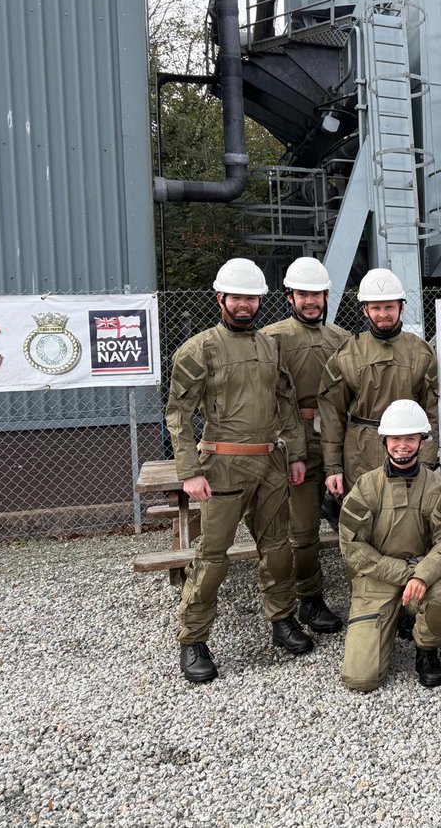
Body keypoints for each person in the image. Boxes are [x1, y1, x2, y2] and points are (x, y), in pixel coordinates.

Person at [165, 258, 314, 684]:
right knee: (212, 557)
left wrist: (297, 455)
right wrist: (189, 471)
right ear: (221, 299)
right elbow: (178, 414)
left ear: (260, 300)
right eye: (237, 298)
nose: (245, 304)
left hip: (270, 463)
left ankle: (282, 619)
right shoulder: (199, 349)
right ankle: (193, 639)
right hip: (222, 466)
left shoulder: (269, 345)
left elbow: (286, 403)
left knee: (278, 548)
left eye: (251, 297)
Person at [337, 400, 441, 691]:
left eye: (410, 438)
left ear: (422, 442)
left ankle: (426, 650)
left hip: (423, 577)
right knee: (361, 679)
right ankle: (393, 623)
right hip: (377, 581)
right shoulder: (366, 486)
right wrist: (408, 574)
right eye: (396, 439)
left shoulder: (436, 487)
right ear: (384, 441)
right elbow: (352, 546)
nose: (402, 446)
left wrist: (423, 575)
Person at [254, 257, 351, 634]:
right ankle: (309, 599)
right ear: (290, 295)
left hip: (336, 440)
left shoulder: (341, 339)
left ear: (327, 295)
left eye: (317, 294)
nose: (311, 301)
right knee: (304, 530)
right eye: (303, 294)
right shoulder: (272, 338)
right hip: (292, 442)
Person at [319, 267, 439, 494]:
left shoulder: (421, 353)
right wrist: (333, 466)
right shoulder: (347, 354)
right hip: (359, 452)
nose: (383, 314)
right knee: (362, 515)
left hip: (407, 450)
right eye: (375, 307)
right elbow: (331, 414)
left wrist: (425, 462)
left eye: (389, 307)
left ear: (401, 307)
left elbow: (432, 412)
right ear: (365, 310)